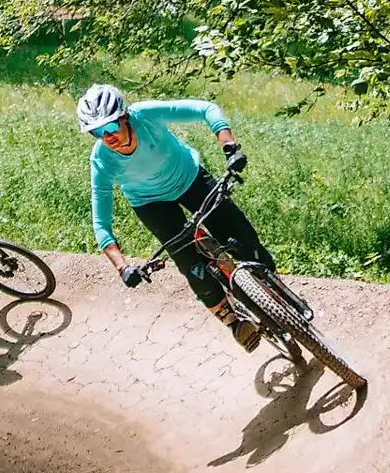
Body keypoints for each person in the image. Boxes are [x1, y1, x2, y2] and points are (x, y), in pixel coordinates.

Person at [77, 83, 273, 350]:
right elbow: (101, 224)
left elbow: (205, 109)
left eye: (110, 126)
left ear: (124, 117)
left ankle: (274, 291)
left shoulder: (145, 116)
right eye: (97, 132)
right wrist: (123, 268)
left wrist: (229, 146)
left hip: (189, 178)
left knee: (240, 236)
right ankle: (233, 321)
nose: (107, 136)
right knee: (190, 264)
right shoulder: (101, 161)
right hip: (150, 203)